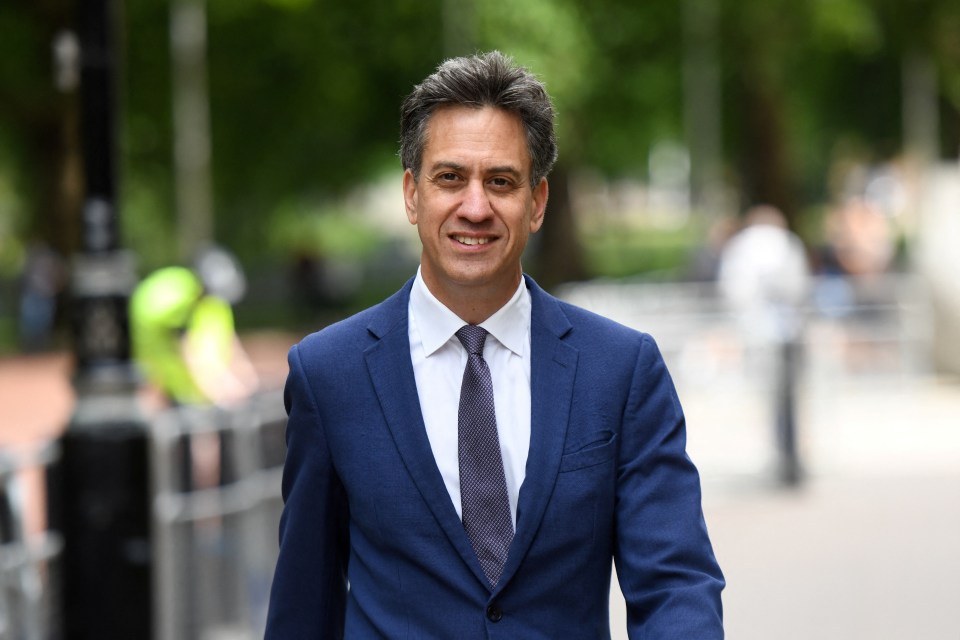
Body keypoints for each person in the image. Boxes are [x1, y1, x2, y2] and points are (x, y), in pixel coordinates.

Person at [265, 51, 724, 638]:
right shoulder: (328, 373)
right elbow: (304, 604)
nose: (475, 207)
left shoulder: (621, 369)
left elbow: (675, 583)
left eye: (501, 182)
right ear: (412, 195)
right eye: (450, 178)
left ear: (536, 203)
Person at [129, 245, 259, 408]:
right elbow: (191, 353)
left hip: (156, 345)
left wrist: (248, 381)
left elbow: (230, 343)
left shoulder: (208, 301)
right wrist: (219, 396)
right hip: (156, 359)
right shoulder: (178, 301)